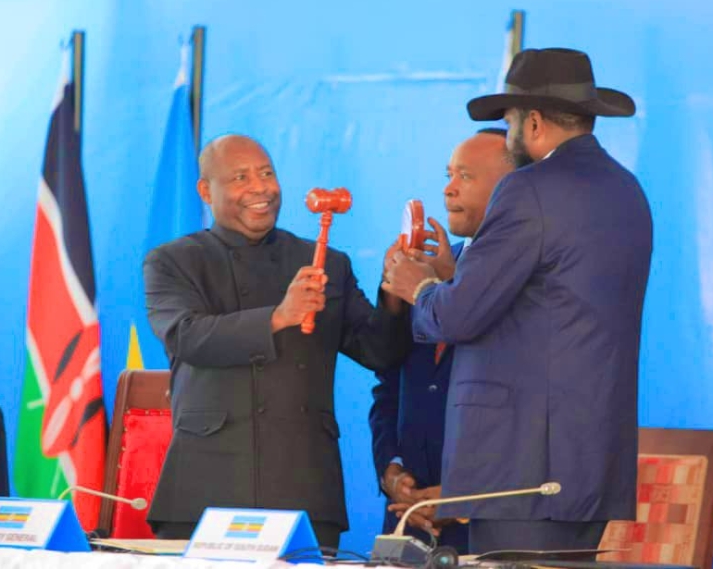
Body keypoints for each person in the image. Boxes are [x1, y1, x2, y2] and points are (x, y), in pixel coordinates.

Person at [382, 48, 653, 555]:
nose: (508, 134)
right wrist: (457, 280)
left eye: (507, 121)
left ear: (531, 122)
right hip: (587, 464)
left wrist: (419, 287)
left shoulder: (528, 190)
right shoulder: (627, 190)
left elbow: (459, 316)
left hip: (521, 469)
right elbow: (548, 302)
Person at [143, 134, 410, 547]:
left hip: (303, 485)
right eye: (240, 177)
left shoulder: (326, 261)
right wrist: (278, 317)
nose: (260, 188)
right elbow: (186, 336)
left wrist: (394, 291)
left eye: (267, 173)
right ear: (205, 191)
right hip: (204, 488)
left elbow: (381, 351)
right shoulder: (174, 260)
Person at [369, 128, 514, 553]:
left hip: (487, 525)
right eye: (449, 175)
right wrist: (391, 471)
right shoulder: (424, 269)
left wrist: (463, 495)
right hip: (408, 517)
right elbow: (389, 384)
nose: (448, 189)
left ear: (511, 189)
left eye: (465, 177)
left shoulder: (526, 278)